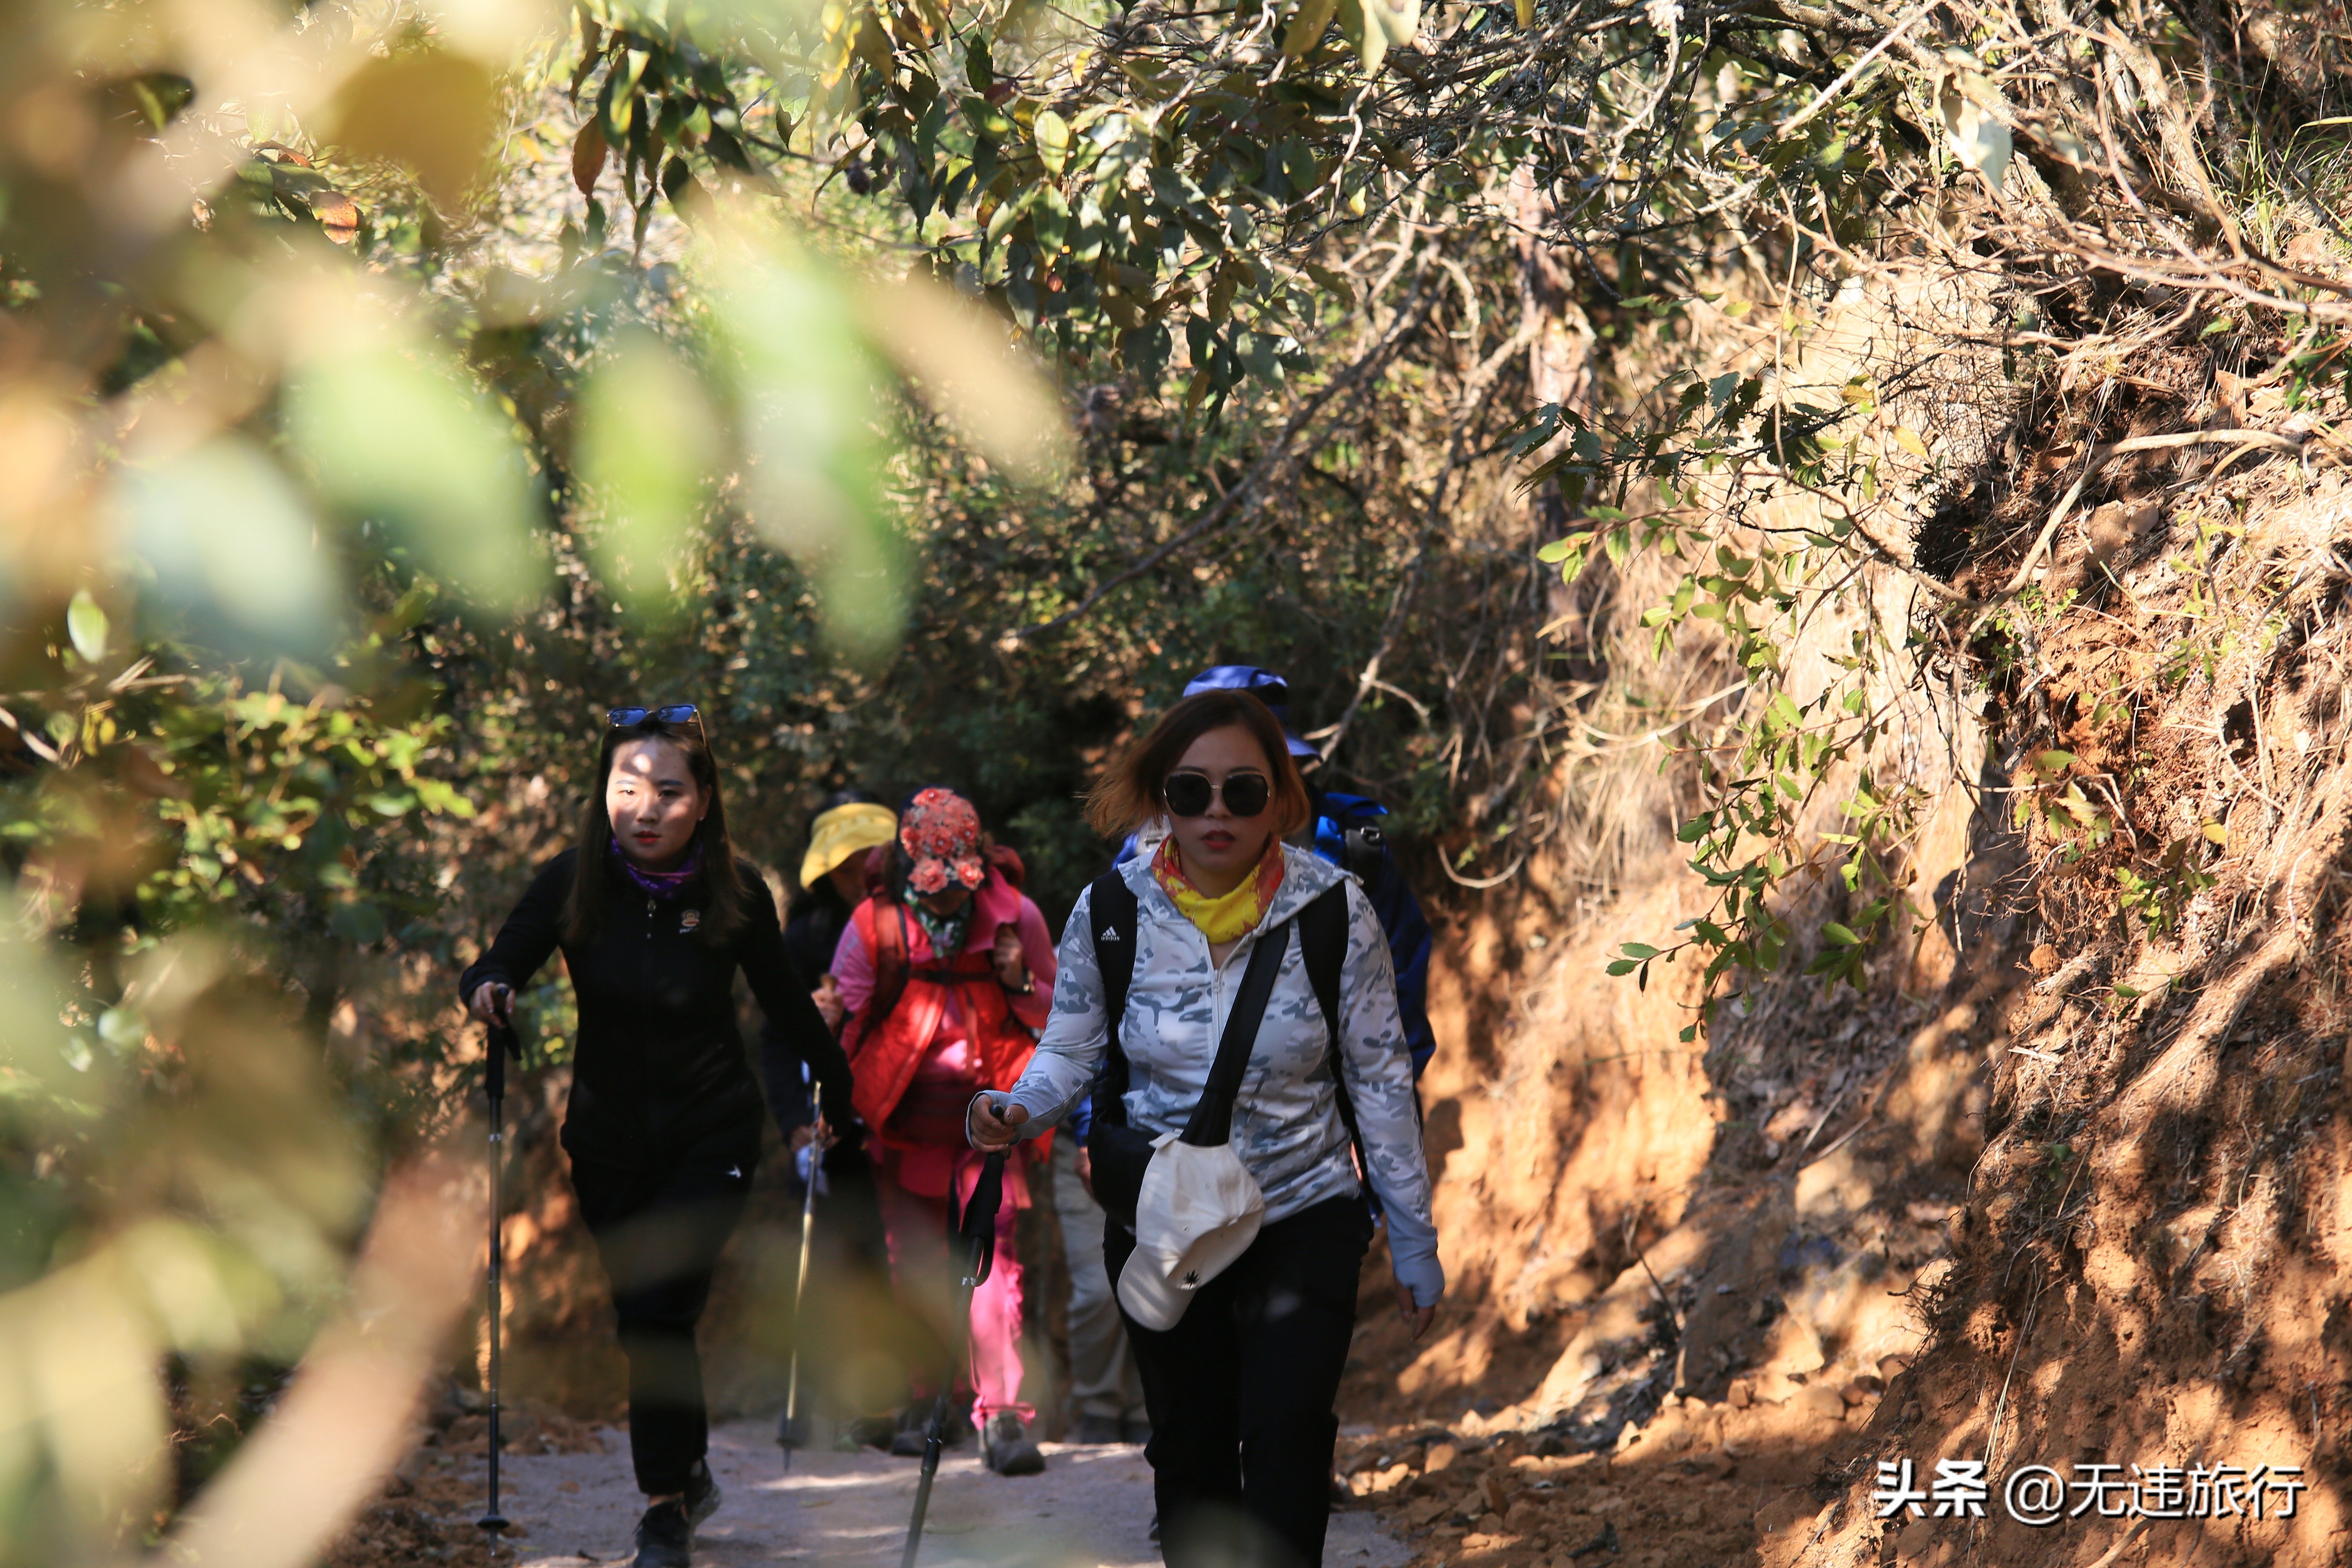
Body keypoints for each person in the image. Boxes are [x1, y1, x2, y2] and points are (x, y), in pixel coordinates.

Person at [970, 690, 1443, 1568]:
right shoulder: (1110, 910)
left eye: (1243, 791)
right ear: (1160, 797)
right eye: (1191, 792)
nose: (1216, 812)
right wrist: (1014, 1110)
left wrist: (1413, 1237)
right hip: (1163, 1217)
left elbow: (1380, 1079)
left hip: (1302, 1210)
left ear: (1284, 800)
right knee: (1190, 1452)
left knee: (1288, 1438)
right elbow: (1070, 1050)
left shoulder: (1337, 911)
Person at [459, 706, 853, 1568]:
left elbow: (787, 1007)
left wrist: (843, 1089)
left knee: (656, 1298)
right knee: (651, 1317)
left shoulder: (737, 892)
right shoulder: (573, 882)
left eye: (668, 792)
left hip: (710, 1131)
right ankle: (690, 1470)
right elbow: (496, 962)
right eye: (626, 789)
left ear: (705, 800)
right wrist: (489, 990)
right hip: (606, 1141)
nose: (645, 809)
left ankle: (664, 1508)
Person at [835, 786, 1058, 1476]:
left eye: (956, 888)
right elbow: (850, 1011)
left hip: (993, 1120)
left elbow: (1064, 1012)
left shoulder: (1016, 917)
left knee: (992, 1260)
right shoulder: (876, 924)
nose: (944, 903)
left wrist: (1020, 981)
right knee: (917, 1265)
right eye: (931, 890)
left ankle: (1004, 1417)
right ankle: (930, 1401)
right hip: (908, 1120)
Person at [1139, 666, 1438, 1078]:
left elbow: (1398, 973)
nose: (1222, 803)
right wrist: (1097, 1127)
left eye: (1250, 776)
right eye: (1198, 782)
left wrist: (1376, 1102)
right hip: (1173, 1110)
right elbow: (1105, 992)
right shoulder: (1148, 856)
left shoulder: (1349, 844)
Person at [758, 789, 898, 1450]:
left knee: (897, 1255)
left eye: (872, 857)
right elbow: (778, 1038)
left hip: (895, 1114)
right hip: (828, 1120)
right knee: (839, 1262)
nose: (862, 874)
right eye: (848, 865)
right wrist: (794, 1123)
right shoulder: (804, 938)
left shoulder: (913, 923)